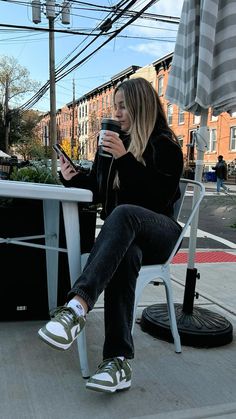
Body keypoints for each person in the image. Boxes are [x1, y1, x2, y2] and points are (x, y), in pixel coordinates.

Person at [38, 77, 184, 394]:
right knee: (126, 254)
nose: (116, 113)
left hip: (162, 233)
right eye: (114, 106)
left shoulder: (165, 146)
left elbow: (156, 201)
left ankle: (76, 308)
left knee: (125, 213)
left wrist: (125, 159)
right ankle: (118, 362)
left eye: (123, 107)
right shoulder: (115, 144)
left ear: (140, 106)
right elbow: (97, 192)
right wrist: (73, 177)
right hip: (129, 239)